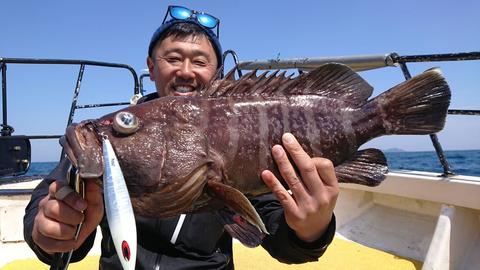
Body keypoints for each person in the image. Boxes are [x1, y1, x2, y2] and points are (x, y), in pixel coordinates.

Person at [24, 5, 339, 269]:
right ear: (151, 66)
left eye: (200, 61)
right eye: (173, 58)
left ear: (216, 72)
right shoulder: (108, 137)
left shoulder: (244, 135)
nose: (186, 71)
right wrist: (50, 229)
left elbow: (275, 236)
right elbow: (50, 200)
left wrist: (310, 230)